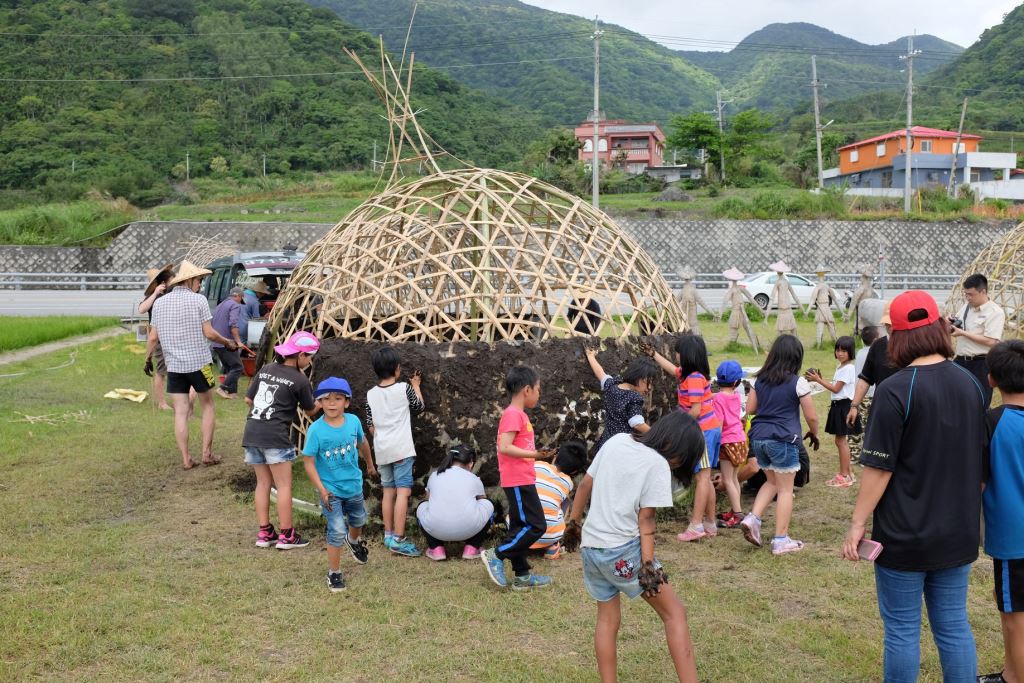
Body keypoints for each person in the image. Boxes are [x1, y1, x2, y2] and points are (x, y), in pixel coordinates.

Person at [841, 290, 986, 682]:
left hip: (904, 533)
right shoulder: (971, 384)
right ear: (940, 326)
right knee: (954, 626)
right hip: (958, 530)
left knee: (903, 630)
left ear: (895, 336)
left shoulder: (895, 389)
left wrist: (857, 523)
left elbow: (878, 468)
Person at [563, 411, 706, 683]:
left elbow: (584, 486)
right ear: (678, 451)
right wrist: (648, 566)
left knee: (607, 619)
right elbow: (647, 518)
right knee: (675, 614)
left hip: (592, 549)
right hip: (622, 551)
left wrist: (573, 526)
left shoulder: (616, 440)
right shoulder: (658, 465)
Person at [147, 260, 238, 470]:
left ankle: (186, 458)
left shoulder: (159, 303)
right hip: (199, 363)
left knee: (180, 412)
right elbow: (209, 332)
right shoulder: (199, 300)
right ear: (189, 280)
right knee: (208, 405)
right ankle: (207, 453)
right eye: (199, 280)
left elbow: (152, 337)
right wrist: (226, 342)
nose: (201, 284)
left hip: (175, 367)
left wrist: (146, 359)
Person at [740, 334, 819, 555]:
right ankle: (781, 539)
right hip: (783, 439)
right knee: (785, 490)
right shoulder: (798, 382)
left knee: (772, 482)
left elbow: (751, 409)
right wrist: (814, 433)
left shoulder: (760, 380)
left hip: (759, 438)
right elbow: (811, 416)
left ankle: (753, 518)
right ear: (796, 358)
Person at [481, 366, 555, 591]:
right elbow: (505, 447)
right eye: (538, 389)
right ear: (526, 389)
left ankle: (522, 576)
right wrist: (534, 455)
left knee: (520, 527)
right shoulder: (513, 414)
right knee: (536, 525)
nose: (539, 394)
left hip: (522, 477)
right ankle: (497, 554)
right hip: (518, 480)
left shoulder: (518, 415)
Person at [243, 331, 319, 550]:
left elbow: (249, 399)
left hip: (252, 432)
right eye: (309, 357)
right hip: (275, 435)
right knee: (284, 485)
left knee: (263, 483)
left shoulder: (266, 369)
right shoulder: (299, 379)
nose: (310, 361)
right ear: (301, 355)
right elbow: (310, 410)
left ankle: (265, 532)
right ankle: (287, 535)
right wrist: (322, 404)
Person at [303, 376, 379, 593]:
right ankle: (334, 573)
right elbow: (308, 462)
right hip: (331, 491)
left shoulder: (354, 422)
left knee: (359, 519)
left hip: (353, 485)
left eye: (338, 398)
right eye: (326, 399)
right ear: (320, 403)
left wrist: (370, 466)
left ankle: (353, 541)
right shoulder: (316, 431)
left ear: (346, 402)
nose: (332, 403)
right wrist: (322, 489)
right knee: (336, 530)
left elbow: (363, 443)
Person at [978, 340, 1024, 683]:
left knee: (1014, 614)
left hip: (1014, 538)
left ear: (991, 378)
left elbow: (977, 482)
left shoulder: (992, 422)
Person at [647, 335, 722, 542]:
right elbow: (672, 369)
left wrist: (677, 427)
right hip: (706, 430)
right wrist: (654, 355)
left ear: (686, 355)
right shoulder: (687, 375)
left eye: (677, 352)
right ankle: (709, 522)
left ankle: (696, 524)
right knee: (705, 477)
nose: (676, 355)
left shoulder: (695, 378)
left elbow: (696, 411)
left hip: (703, 432)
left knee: (702, 478)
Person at [364, 346, 425, 558]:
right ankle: (399, 539)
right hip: (401, 449)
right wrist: (415, 385)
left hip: (382, 450)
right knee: (403, 491)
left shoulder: (371, 394)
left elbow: (371, 426)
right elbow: (418, 407)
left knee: (388, 492)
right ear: (397, 369)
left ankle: (388, 534)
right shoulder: (403, 389)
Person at [416, 444, 494, 561]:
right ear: (471, 463)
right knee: (488, 504)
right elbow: (482, 500)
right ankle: (472, 547)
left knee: (422, 506)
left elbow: (429, 499)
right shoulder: (473, 479)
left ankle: (436, 548)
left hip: (436, 528)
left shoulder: (434, 475)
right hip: (469, 529)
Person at [806, 335, 861, 488]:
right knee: (841, 441)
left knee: (840, 441)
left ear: (851, 352)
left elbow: (836, 388)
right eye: (838, 350)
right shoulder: (842, 367)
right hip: (839, 406)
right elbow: (836, 386)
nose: (840, 353)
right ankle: (848, 473)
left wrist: (818, 380)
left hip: (844, 407)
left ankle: (844, 476)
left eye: (844, 350)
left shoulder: (848, 368)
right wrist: (821, 380)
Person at [584, 345, 657, 451]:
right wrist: (658, 435)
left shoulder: (612, 384)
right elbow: (637, 423)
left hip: (606, 443)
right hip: (621, 446)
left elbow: (600, 373)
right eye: (649, 383)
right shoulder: (634, 398)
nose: (649, 389)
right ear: (643, 379)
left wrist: (590, 356)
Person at [952, 273, 1006, 407]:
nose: (968, 298)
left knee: (980, 402)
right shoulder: (966, 306)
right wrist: (950, 322)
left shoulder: (995, 312)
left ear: (983, 292)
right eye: (966, 294)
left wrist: (963, 333)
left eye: (971, 294)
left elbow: (991, 341)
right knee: (956, 400)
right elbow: (958, 321)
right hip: (960, 360)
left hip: (981, 363)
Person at [847, 299, 898, 433]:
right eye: (887, 324)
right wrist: (854, 405)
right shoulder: (877, 346)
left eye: (893, 323)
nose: (890, 327)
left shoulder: (913, 346)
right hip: (882, 407)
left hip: (907, 408)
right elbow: (865, 378)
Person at [530, 441, 588, 559]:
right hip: (548, 536)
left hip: (517, 531)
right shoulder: (568, 483)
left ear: (555, 456)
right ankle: (551, 546)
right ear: (574, 472)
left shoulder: (537, 465)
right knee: (564, 501)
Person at [712, 360, 748, 529]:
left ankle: (738, 515)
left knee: (728, 480)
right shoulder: (736, 396)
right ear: (736, 382)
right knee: (734, 479)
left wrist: (713, 442)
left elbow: (718, 424)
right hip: (740, 440)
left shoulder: (718, 398)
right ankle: (736, 511)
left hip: (727, 442)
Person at [139, 264, 174, 411]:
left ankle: (175, 399)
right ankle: (161, 403)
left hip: (173, 337)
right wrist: (155, 294)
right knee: (161, 371)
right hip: (158, 338)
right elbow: (141, 309)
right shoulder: (153, 296)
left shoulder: (171, 293)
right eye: (173, 279)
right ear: (162, 283)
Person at [847, 325, 879, 464]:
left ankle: (853, 455)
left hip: (858, 395)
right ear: (876, 339)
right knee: (868, 427)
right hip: (870, 394)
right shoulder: (874, 353)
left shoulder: (860, 353)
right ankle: (865, 455)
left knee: (857, 426)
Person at [210, 287, 249, 399]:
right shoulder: (235, 305)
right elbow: (233, 325)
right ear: (238, 296)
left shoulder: (221, 305)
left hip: (216, 342)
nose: (240, 302)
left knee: (230, 368)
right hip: (227, 343)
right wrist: (238, 341)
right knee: (238, 367)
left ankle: (232, 393)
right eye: (241, 299)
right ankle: (222, 388)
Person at [238, 279, 270, 346]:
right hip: (244, 328)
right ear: (259, 292)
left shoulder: (241, 294)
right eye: (263, 294)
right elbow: (256, 320)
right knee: (241, 346)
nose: (263, 295)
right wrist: (265, 317)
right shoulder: (254, 301)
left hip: (233, 325)